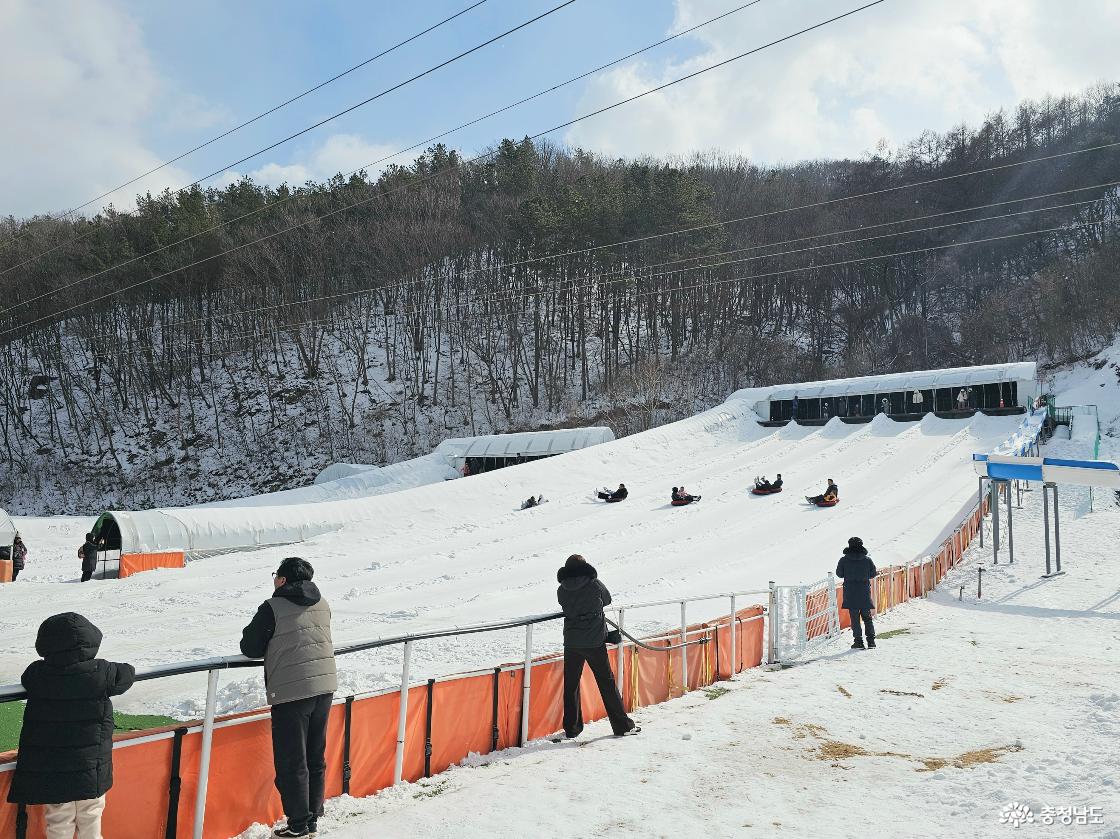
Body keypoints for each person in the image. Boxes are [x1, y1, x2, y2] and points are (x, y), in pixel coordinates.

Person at [7, 613, 135, 839]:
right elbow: (127, 673)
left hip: (53, 767)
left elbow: (27, 678)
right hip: (91, 766)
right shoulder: (102, 672)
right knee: (91, 815)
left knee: (58, 819)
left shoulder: (38, 673)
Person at [241, 558, 337, 839]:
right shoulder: (323, 603)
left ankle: (298, 825)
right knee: (314, 756)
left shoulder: (272, 607)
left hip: (292, 691)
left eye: (275, 575)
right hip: (324, 686)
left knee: (292, 760)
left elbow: (249, 646)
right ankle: (311, 820)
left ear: (282, 580)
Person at [555, 554, 638, 739]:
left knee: (571, 686)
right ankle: (622, 726)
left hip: (572, 642)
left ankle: (572, 728)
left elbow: (565, 606)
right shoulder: (594, 584)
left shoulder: (562, 589)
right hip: (594, 641)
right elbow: (607, 600)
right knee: (606, 683)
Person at [835, 537, 878, 649]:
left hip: (850, 592)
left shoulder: (844, 560)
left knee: (854, 618)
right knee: (867, 618)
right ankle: (871, 642)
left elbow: (839, 574)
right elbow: (873, 574)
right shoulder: (867, 560)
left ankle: (858, 642)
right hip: (864, 592)